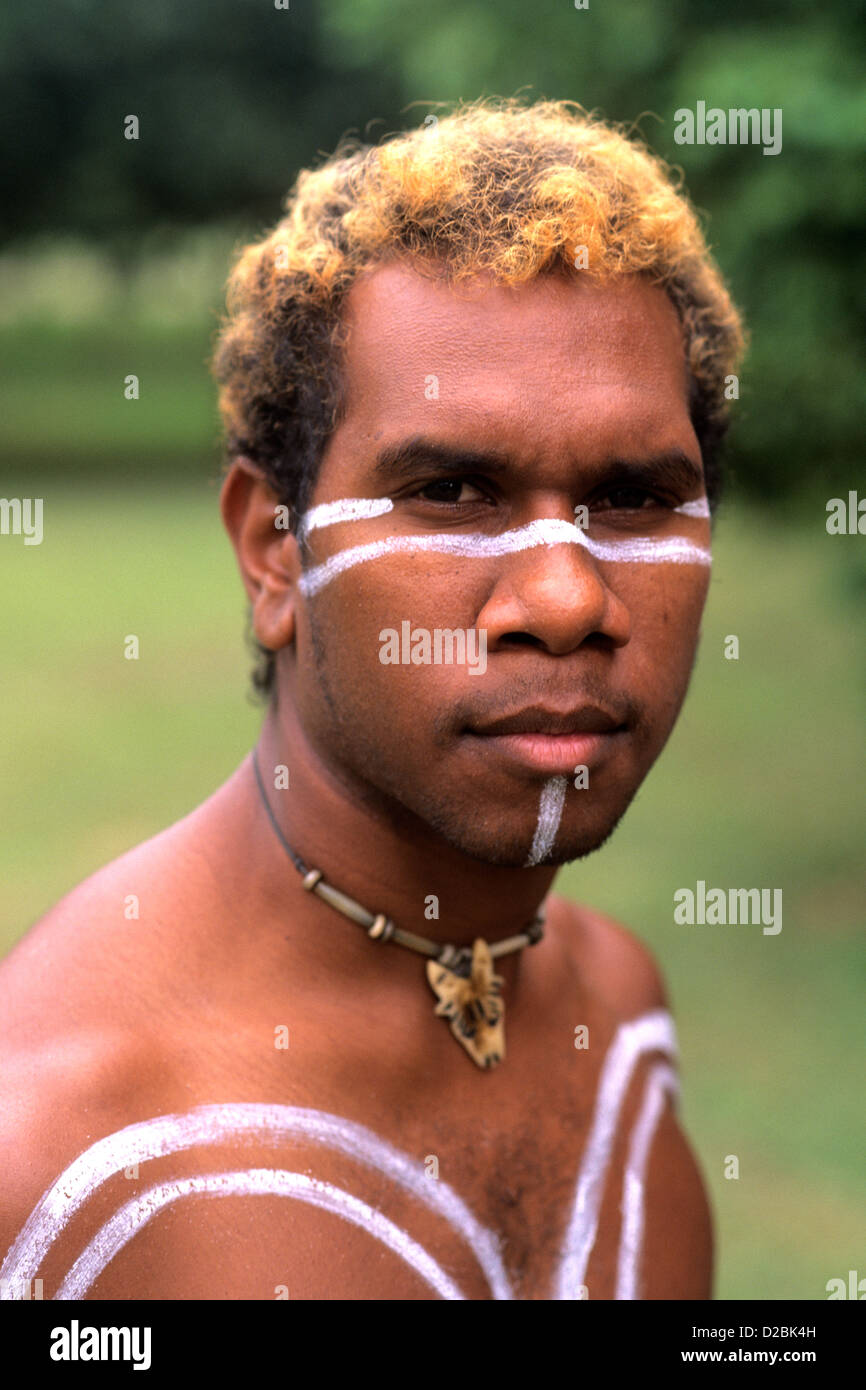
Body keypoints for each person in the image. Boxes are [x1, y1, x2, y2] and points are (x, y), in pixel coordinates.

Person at [0, 98, 744, 1300]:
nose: (564, 600)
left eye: (632, 497)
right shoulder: (51, 1152)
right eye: (453, 489)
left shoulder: (615, 1010)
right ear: (273, 552)